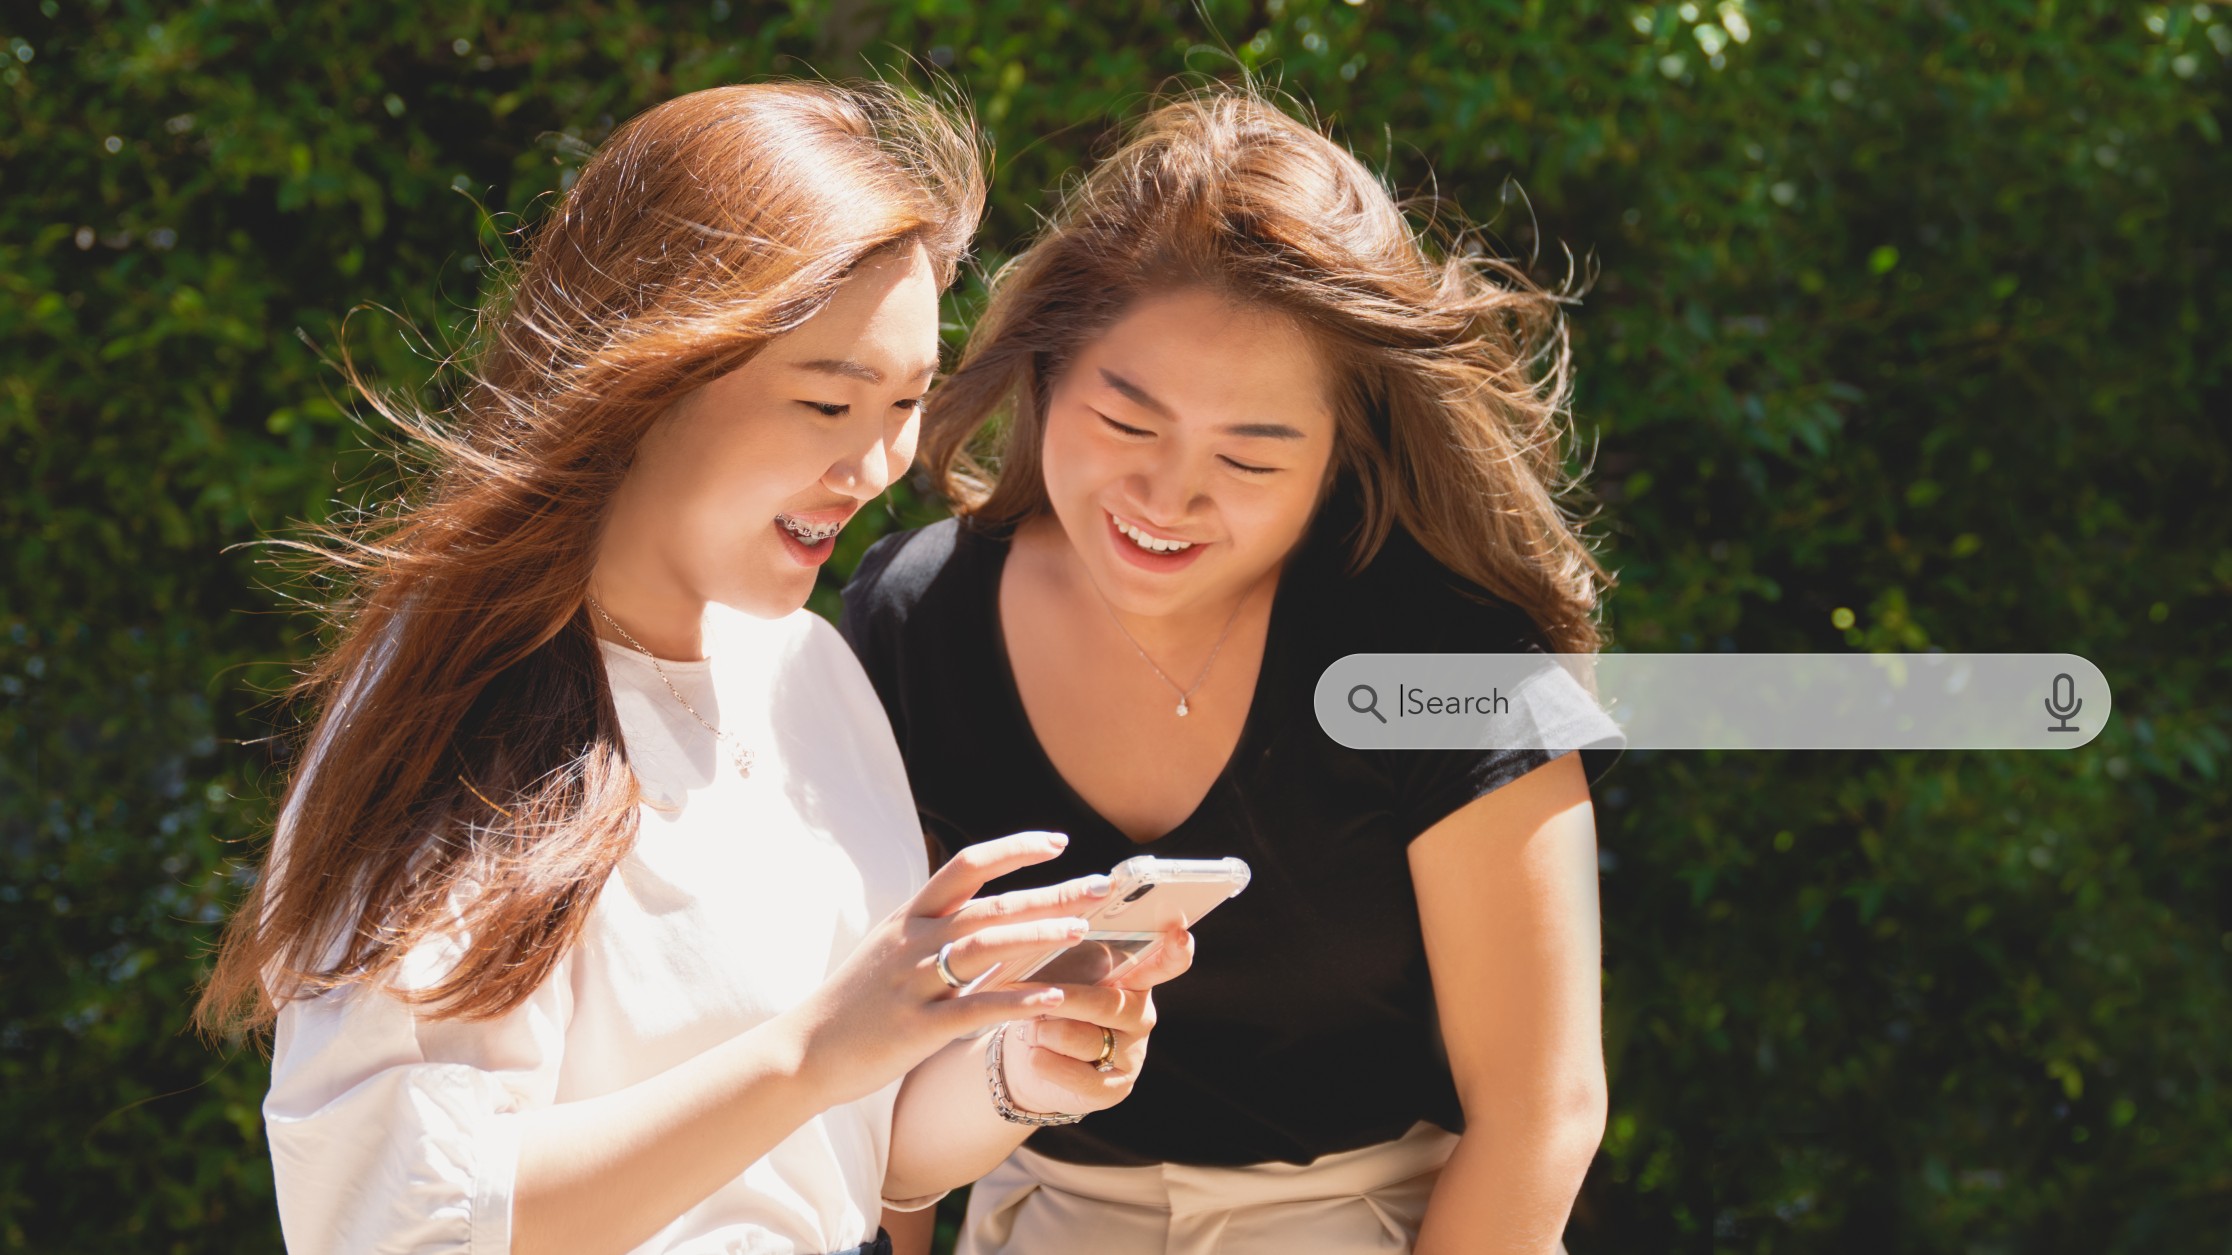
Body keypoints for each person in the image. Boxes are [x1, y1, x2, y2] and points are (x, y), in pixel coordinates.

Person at [194, 82, 1190, 1255]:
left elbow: (850, 1151)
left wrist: (1024, 1060)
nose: (876, 464)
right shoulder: (462, 700)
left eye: (910, 402)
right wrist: (814, 1048)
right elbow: (397, 1216)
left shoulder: (810, 666)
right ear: (649, 373)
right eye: (829, 400)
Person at [839, 88, 1626, 1254]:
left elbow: (1541, 1112)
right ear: (1046, 371)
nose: (1168, 497)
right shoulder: (915, 619)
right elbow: (868, 1078)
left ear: (1337, 460)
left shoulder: (1444, 658)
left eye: (1251, 456)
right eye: (1128, 419)